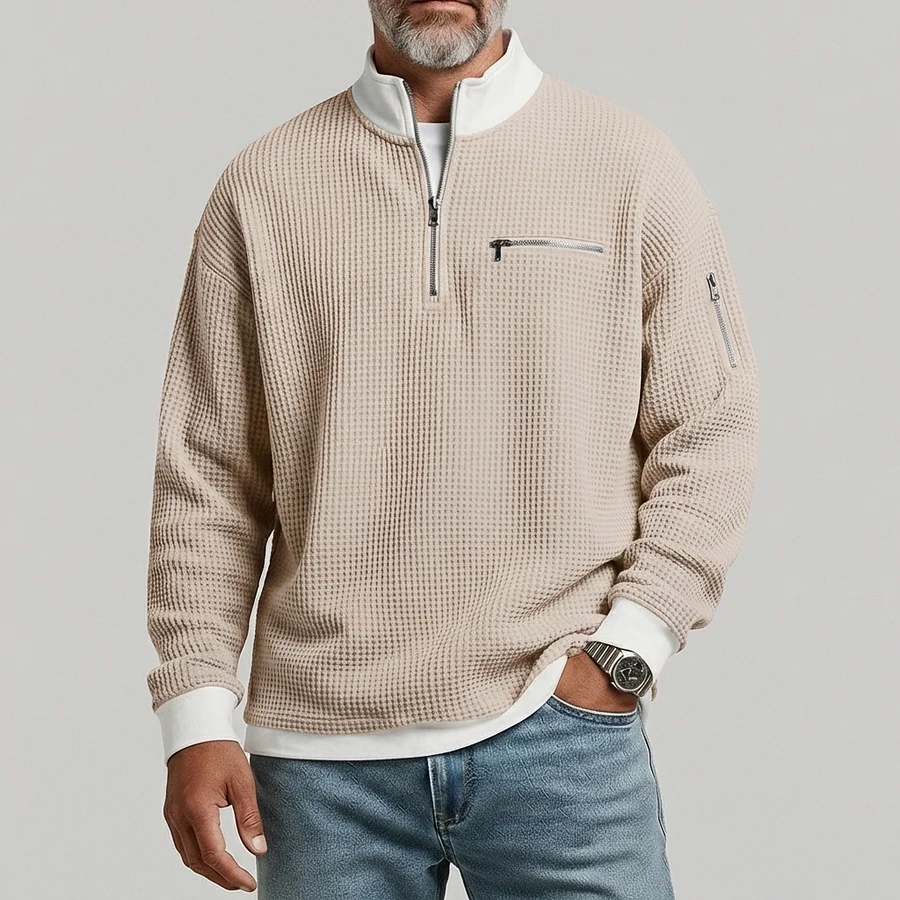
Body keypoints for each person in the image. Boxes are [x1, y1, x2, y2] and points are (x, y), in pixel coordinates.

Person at [146, 2, 759, 897]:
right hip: (319, 762)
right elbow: (208, 474)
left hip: (561, 733)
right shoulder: (264, 186)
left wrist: (628, 651)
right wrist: (196, 713)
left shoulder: (630, 165)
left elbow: (711, 427)